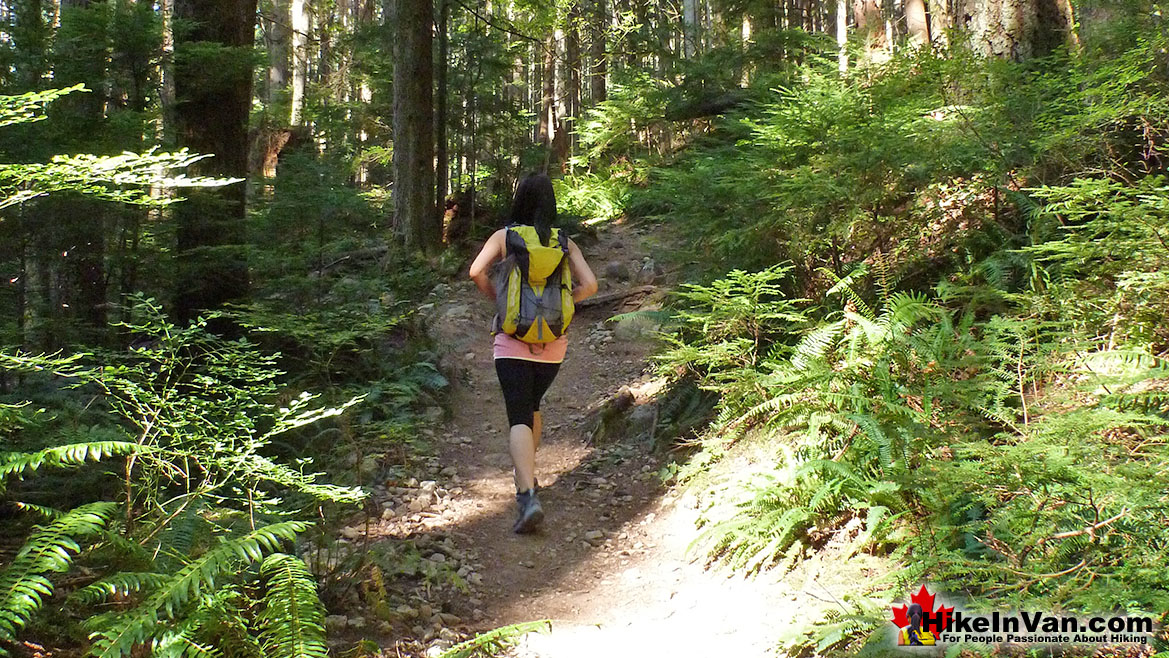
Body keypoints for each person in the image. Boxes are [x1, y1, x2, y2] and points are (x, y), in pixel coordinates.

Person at [468, 173, 598, 534]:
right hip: (553, 344)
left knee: (518, 415)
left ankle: (526, 494)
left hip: (511, 342)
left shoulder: (504, 238)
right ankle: (529, 475)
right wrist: (567, 303)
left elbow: (475, 271)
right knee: (534, 406)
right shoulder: (564, 244)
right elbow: (591, 285)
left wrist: (500, 299)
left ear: (520, 200)